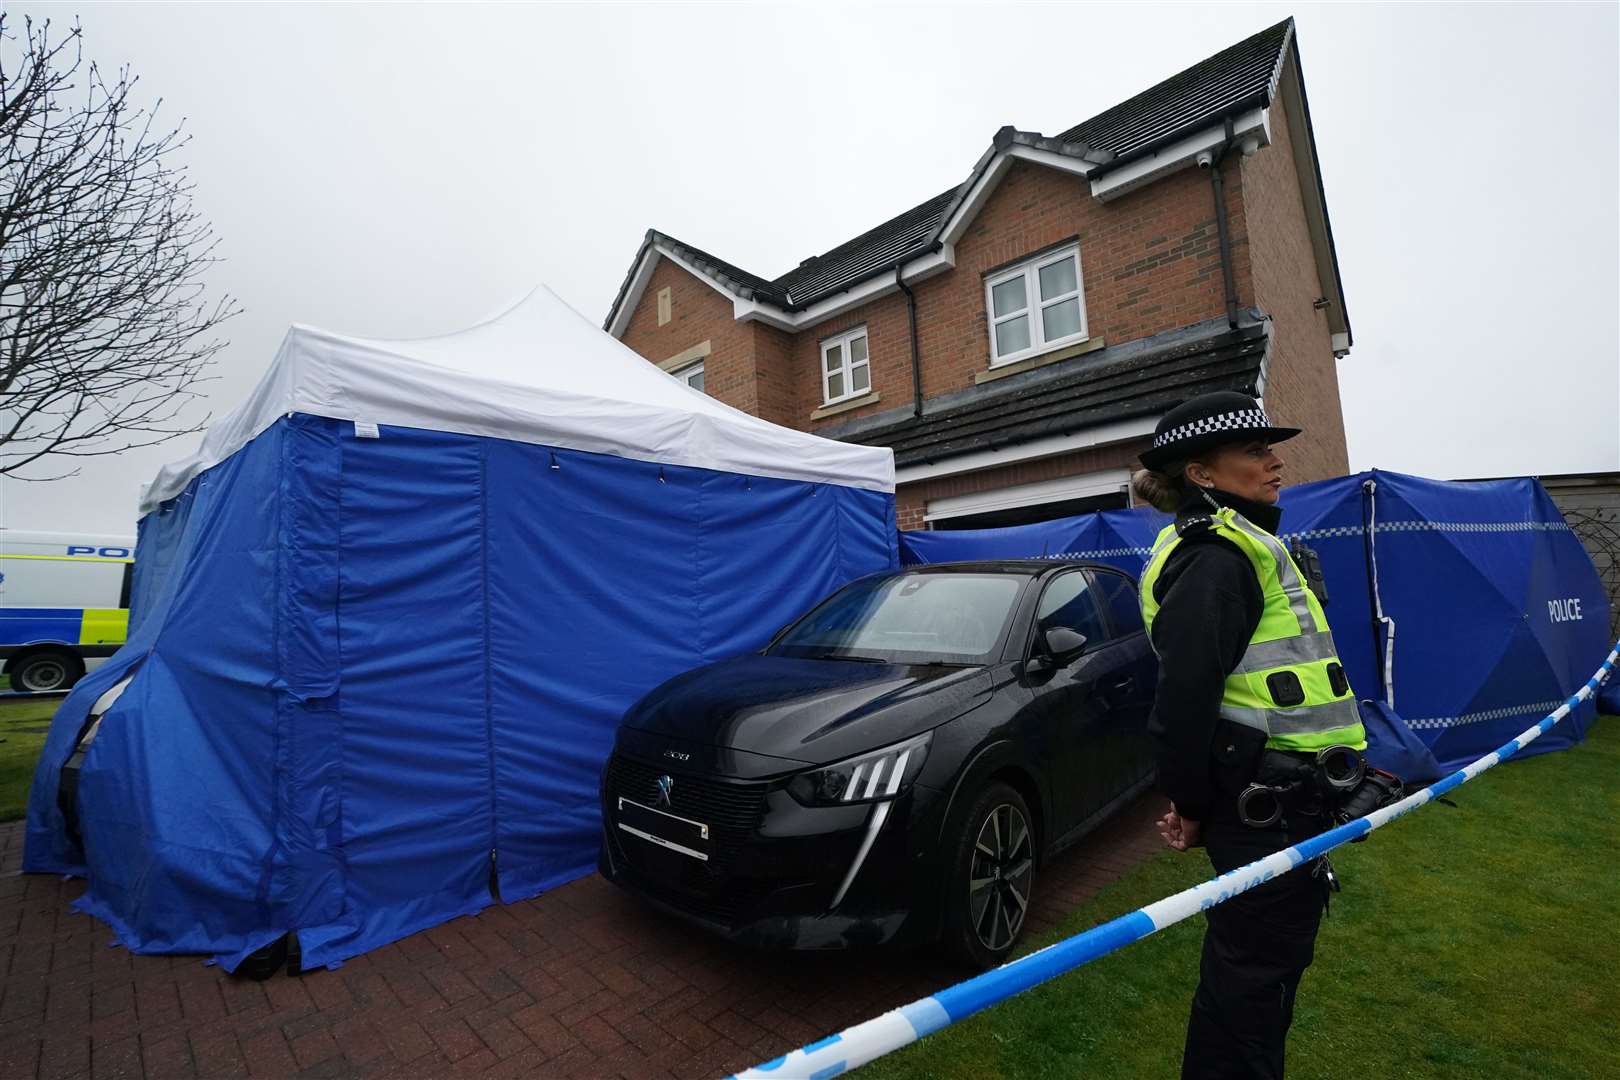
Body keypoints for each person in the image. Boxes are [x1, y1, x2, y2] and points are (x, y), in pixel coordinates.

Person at [1132, 391, 1366, 1080]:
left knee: (1259, 983)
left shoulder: (1246, 547)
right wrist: (1192, 806)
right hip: (1263, 810)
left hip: (1284, 804)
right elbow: (1183, 699)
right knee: (1249, 991)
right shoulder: (1215, 558)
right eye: (1255, 451)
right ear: (1202, 474)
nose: (1275, 462)